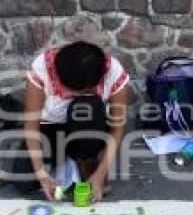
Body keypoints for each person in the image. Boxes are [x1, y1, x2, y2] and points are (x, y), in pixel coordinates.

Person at [11, 41, 129, 201]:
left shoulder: (112, 70)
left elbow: (118, 127)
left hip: (89, 126)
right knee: (24, 182)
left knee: (88, 106)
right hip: (51, 128)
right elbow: (31, 125)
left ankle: (87, 160)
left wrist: (100, 174)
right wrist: (42, 175)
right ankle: (68, 159)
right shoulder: (42, 68)